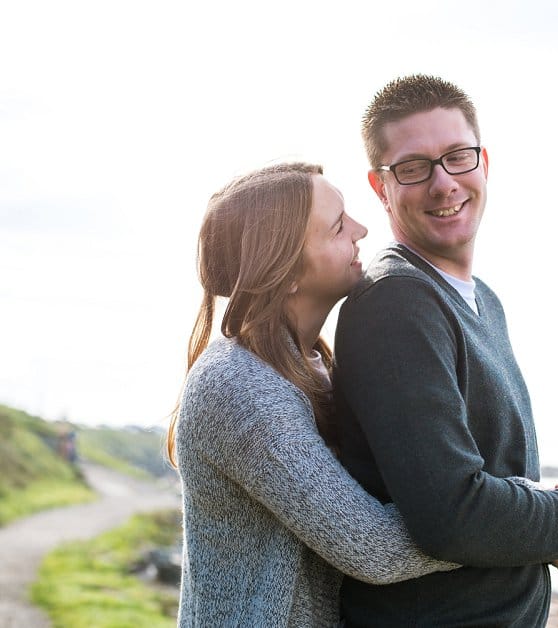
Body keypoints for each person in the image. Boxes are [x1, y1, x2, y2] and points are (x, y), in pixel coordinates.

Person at [333, 74, 558, 627]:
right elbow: (453, 515)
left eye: (458, 157)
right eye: (413, 167)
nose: (443, 184)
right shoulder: (396, 303)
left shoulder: (481, 300)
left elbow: (495, 479)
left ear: (484, 162)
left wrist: (542, 513)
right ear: (380, 186)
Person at [166, 162, 464, 626]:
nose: (362, 230)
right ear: (284, 271)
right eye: (338, 227)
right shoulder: (239, 386)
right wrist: (508, 523)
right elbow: (373, 549)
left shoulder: (314, 364)